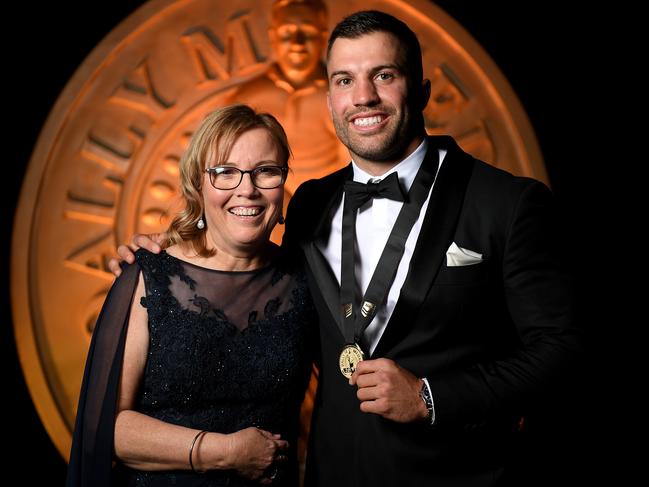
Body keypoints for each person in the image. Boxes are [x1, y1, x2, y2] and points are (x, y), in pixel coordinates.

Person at [112, 10, 581, 487]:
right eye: (344, 80)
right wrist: (169, 252)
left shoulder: (508, 202)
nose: (363, 97)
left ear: (421, 89)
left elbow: (562, 349)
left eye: (384, 75)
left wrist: (430, 397)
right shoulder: (310, 203)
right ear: (331, 99)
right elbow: (248, 282)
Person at [68, 104, 316, 487]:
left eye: (265, 171)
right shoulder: (148, 274)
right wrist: (226, 453)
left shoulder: (307, 281)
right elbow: (105, 427)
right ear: (198, 187)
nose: (246, 188)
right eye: (225, 172)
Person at [224, 0, 347, 197]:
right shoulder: (246, 98)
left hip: (326, 203)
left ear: (324, 38)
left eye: (307, 32)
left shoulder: (343, 96)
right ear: (272, 37)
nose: (297, 43)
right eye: (287, 33)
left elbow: (356, 163)